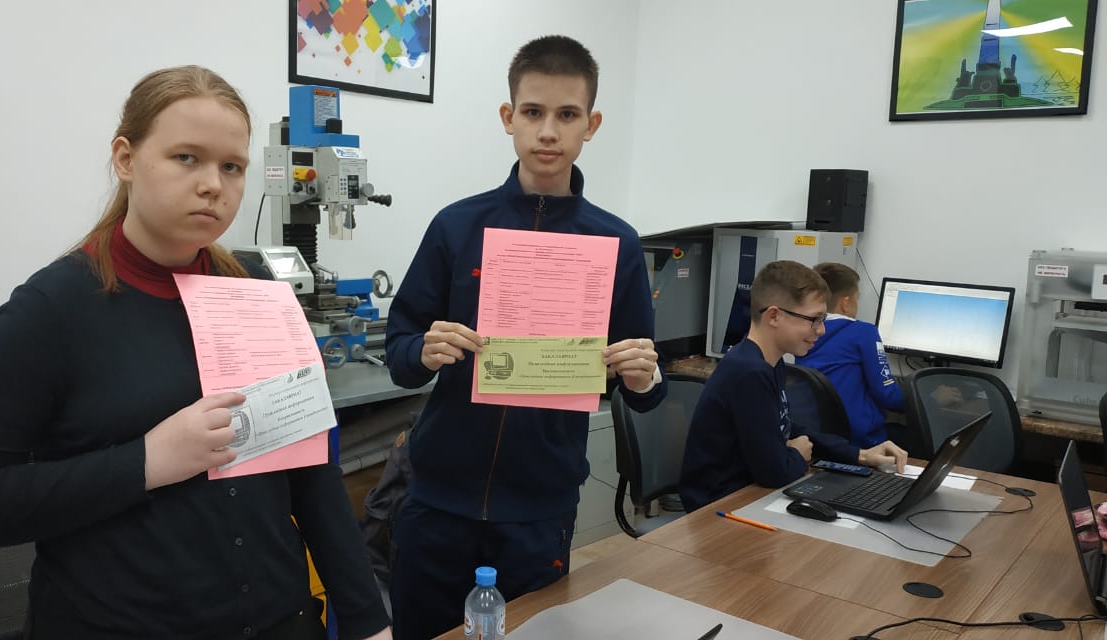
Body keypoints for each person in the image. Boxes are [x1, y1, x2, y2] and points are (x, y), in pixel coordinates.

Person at [0, 66, 391, 640]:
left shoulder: (257, 294)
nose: (213, 184)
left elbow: (311, 477)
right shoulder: (50, 310)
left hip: (281, 621)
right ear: (125, 159)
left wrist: (368, 621)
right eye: (186, 158)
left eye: (232, 166)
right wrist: (146, 461)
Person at [383, 35, 666, 640]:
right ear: (508, 117)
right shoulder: (457, 226)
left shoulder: (615, 243)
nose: (548, 132)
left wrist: (645, 377)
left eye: (567, 115)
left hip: (539, 510)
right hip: (439, 503)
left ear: (591, 125)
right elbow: (399, 352)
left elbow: (644, 390)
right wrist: (421, 350)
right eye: (533, 112)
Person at [678, 260, 908, 512]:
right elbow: (774, 472)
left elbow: (788, 427)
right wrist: (797, 453)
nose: (821, 330)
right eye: (814, 320)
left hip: (749, 492)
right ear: (774, 316)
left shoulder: (769, 362)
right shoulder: (749, 372)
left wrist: (860, 454)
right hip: (719, 507)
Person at [795, 262, 908, 449]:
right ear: (845, 303)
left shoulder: (804, 331)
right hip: (861, 442)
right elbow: (887, 396)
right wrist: (927, 398)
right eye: (858, 298)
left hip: (815, 438)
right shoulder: (863, 332)